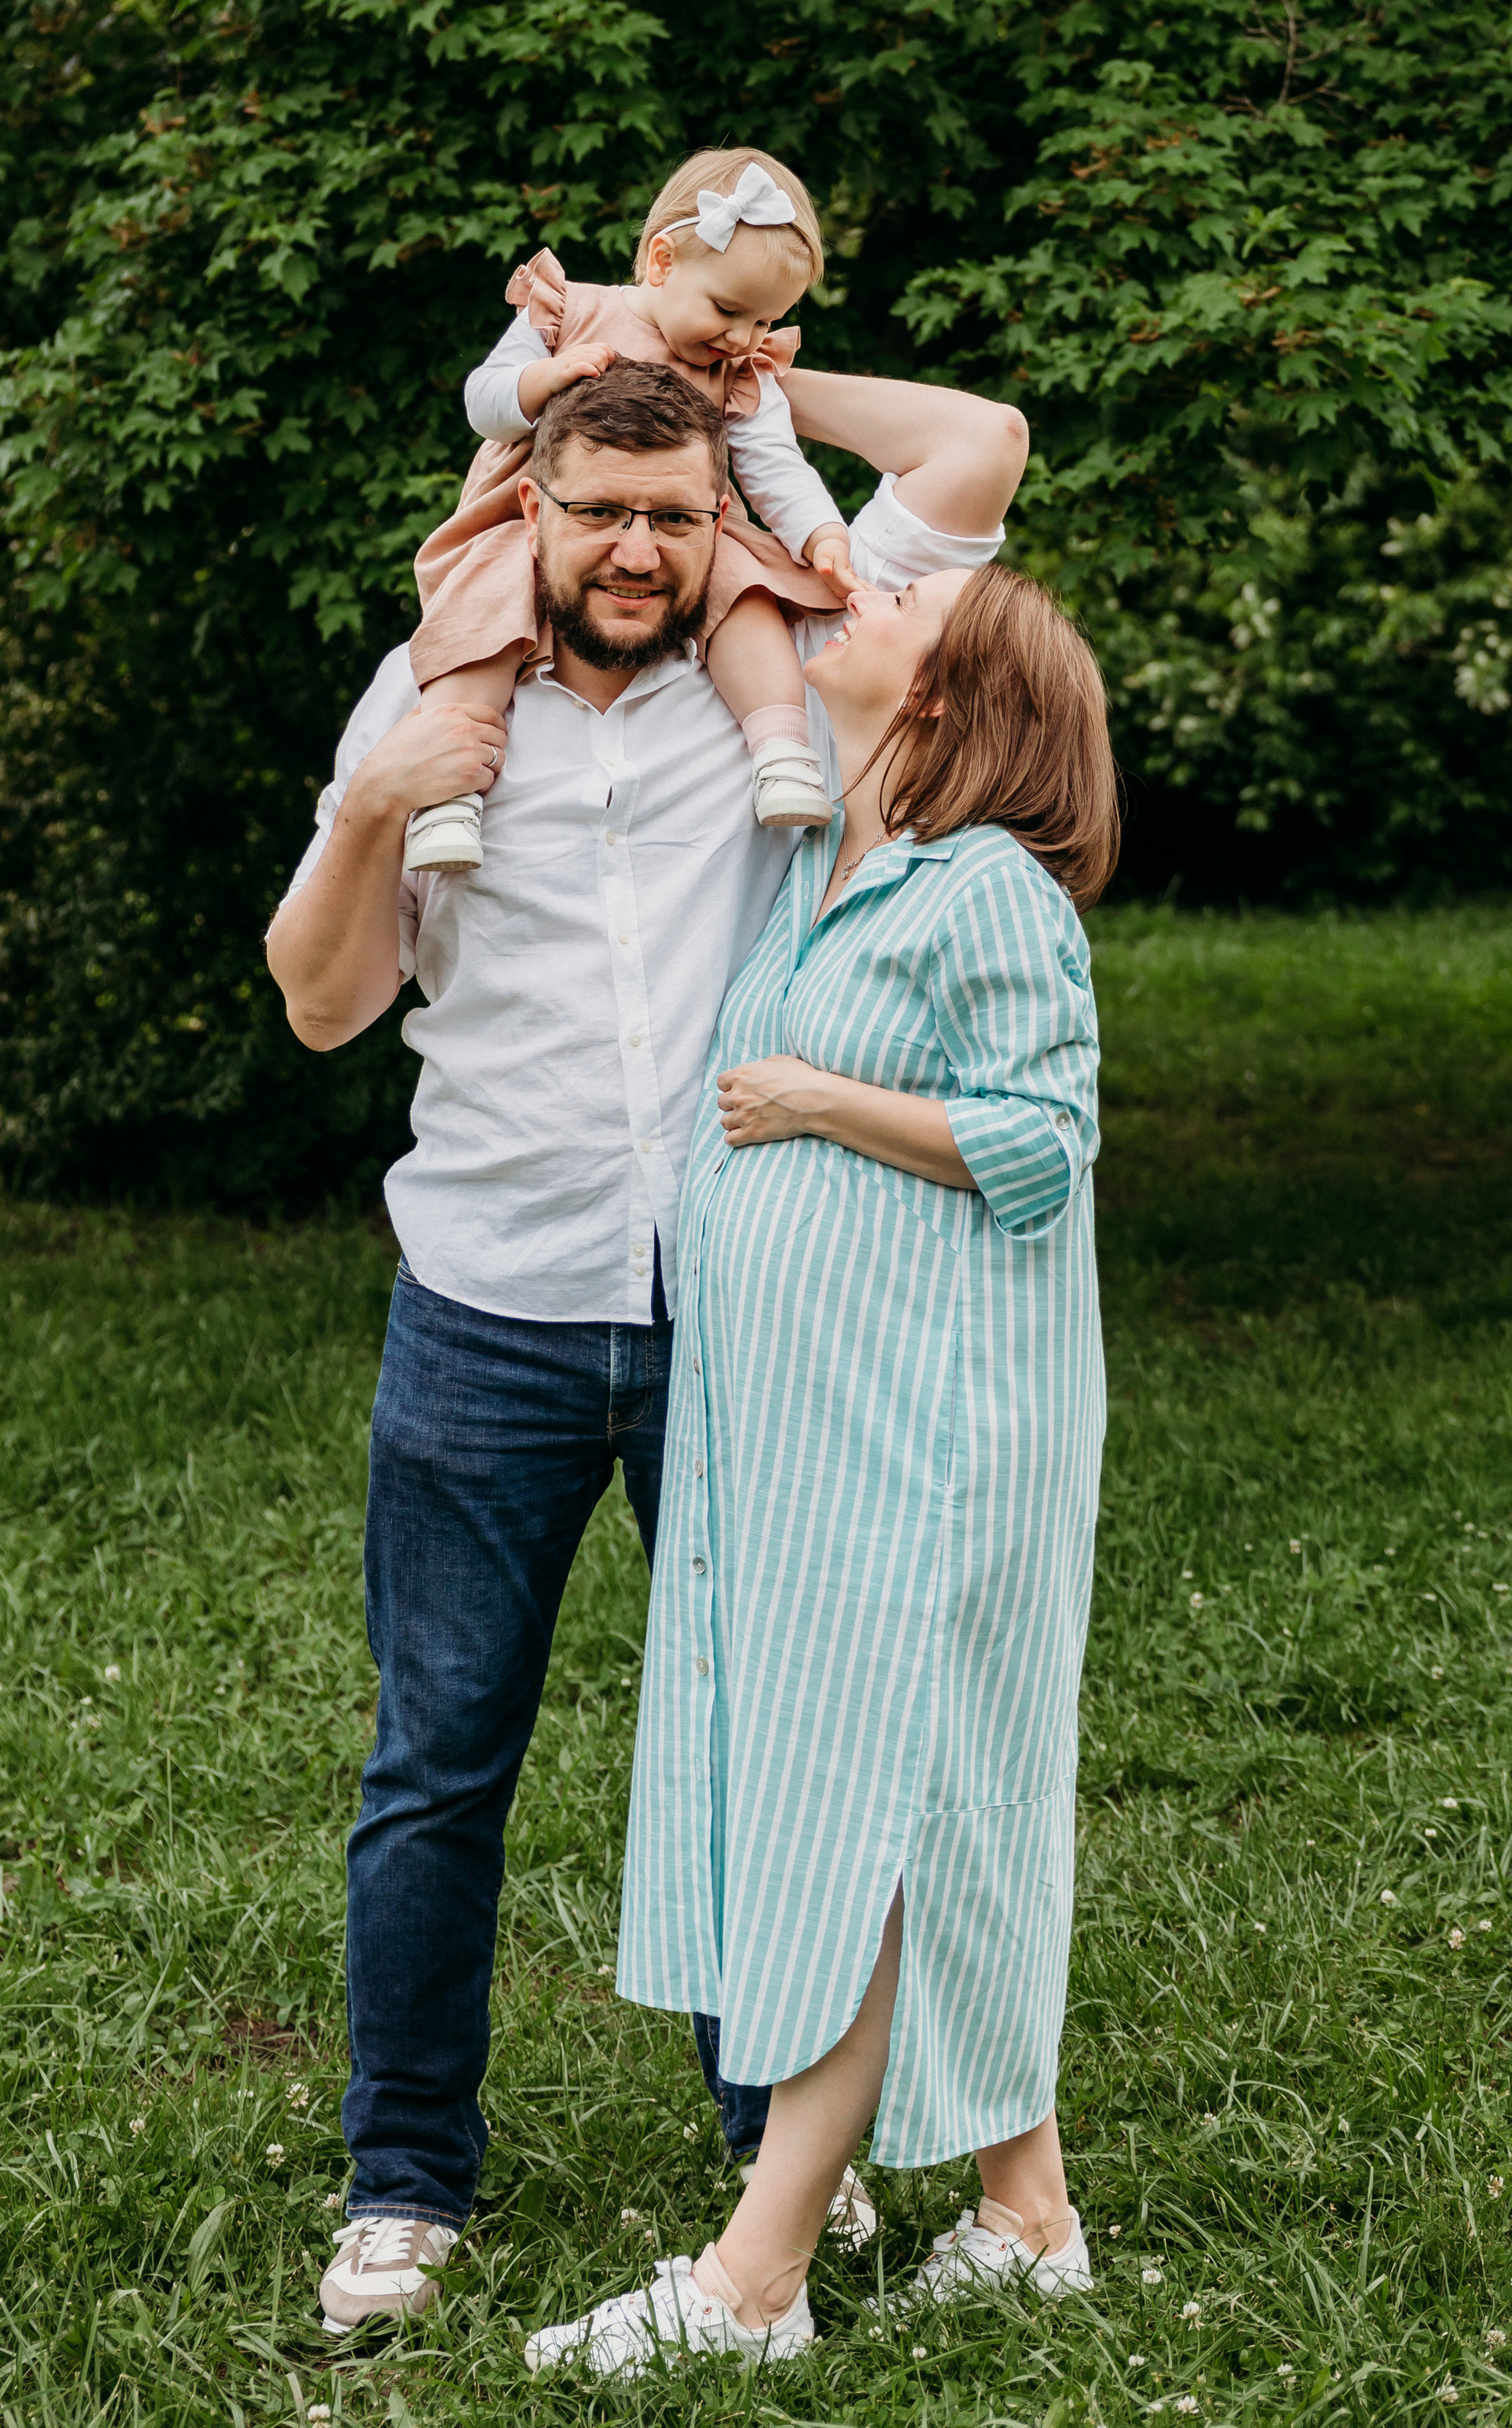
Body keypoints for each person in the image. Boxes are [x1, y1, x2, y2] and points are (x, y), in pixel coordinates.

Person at [264, 353, 1026, 2337]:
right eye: (597, 510)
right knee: (438, 1761)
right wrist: (374, 809)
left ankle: (778, 2161)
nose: (633, 548)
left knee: (773, 1747)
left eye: (672, 515)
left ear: (720, 525)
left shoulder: (809, 679)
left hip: (741, 1312)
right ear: (526, 507)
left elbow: (972, 455)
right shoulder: (426, 697)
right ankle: (402, 2182)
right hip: (487, 1307)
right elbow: (323, 1005)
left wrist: (741, 359)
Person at [523, 559, 1118, 2378]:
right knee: (912, 1795)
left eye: (898, 616)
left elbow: (1044, 1138)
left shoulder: (987, 887)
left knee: (859, 1811)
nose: (854, 604)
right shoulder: (826, 863)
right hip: (816, 1440)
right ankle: (1025, 2215)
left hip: (931, 1437)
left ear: (942, 697)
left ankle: (753, 2279)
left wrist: (809, 1102)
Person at [399, 147, 855, 873]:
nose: (742, 338)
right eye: (728, 310)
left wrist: (821, 533)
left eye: (765, 320)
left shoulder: (736, 371)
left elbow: (773, 462)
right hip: (531, 520)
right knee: (483, 613)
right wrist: (543, 378)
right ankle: (450, 793)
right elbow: (484, 402)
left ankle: (781, 750)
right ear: (663, 262)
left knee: (745, 592)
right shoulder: (571, 311)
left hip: (681, 526)